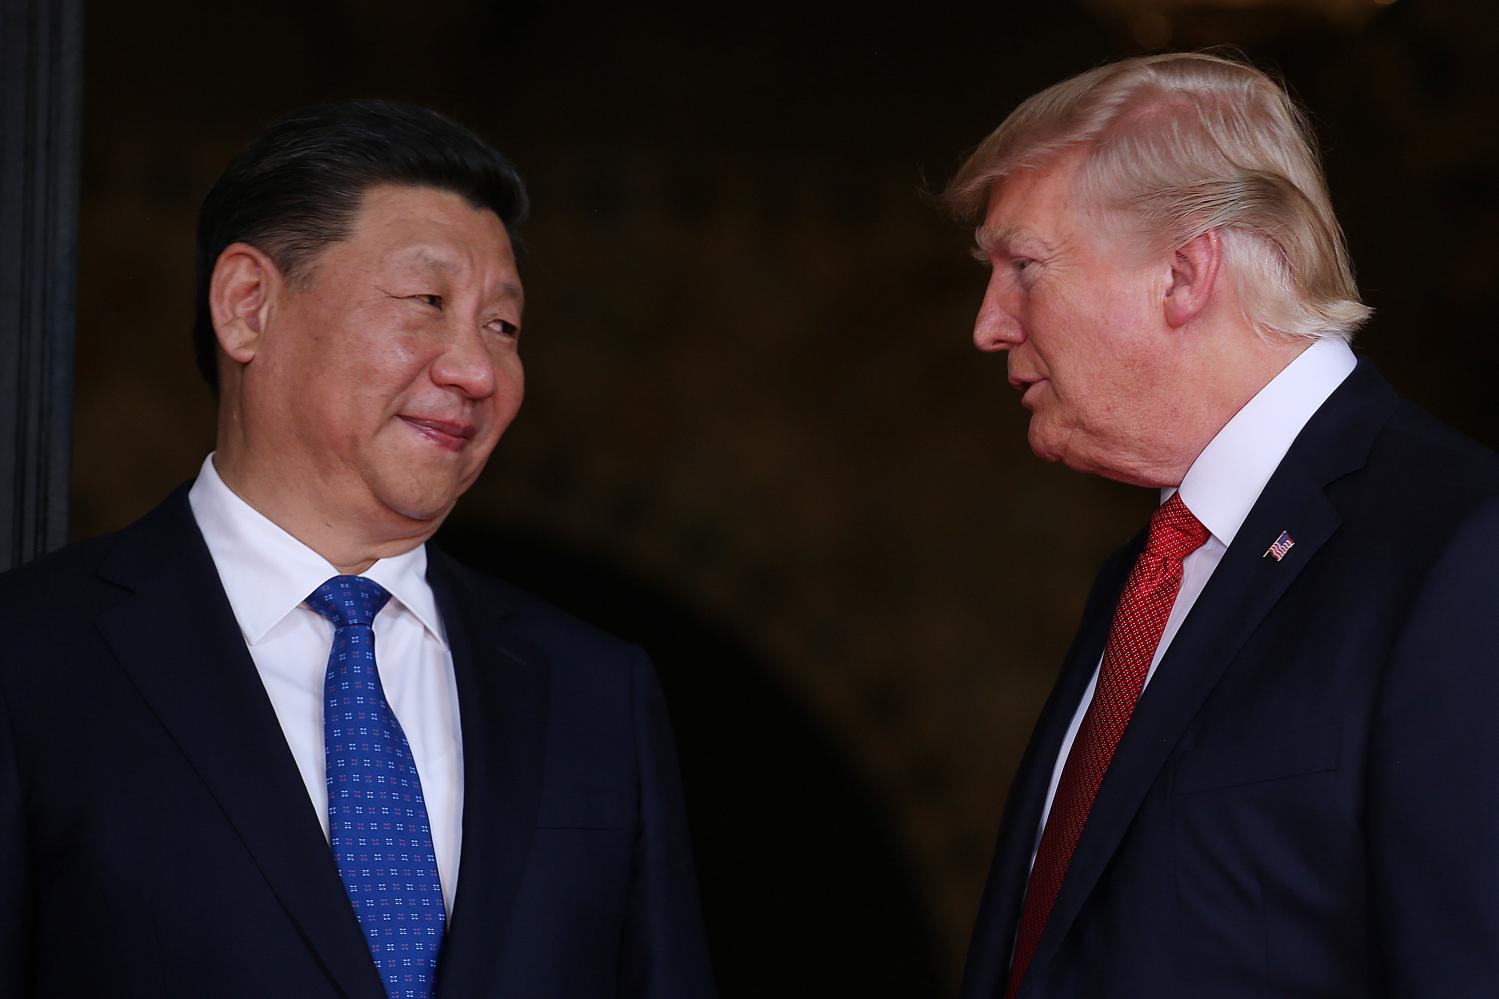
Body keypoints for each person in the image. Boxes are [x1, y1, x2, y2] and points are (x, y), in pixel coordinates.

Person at [0, 99, 715, 999]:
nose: (476, 371)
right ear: (248, 306)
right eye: (427, 302)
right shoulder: (31, 660)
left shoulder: (592, 692)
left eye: (502, 326)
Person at [946, 52, 1499, 998]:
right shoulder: (1147, 572)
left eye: (1023, 266)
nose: (988, 324)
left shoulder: (1461, 549)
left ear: (1184, 271)